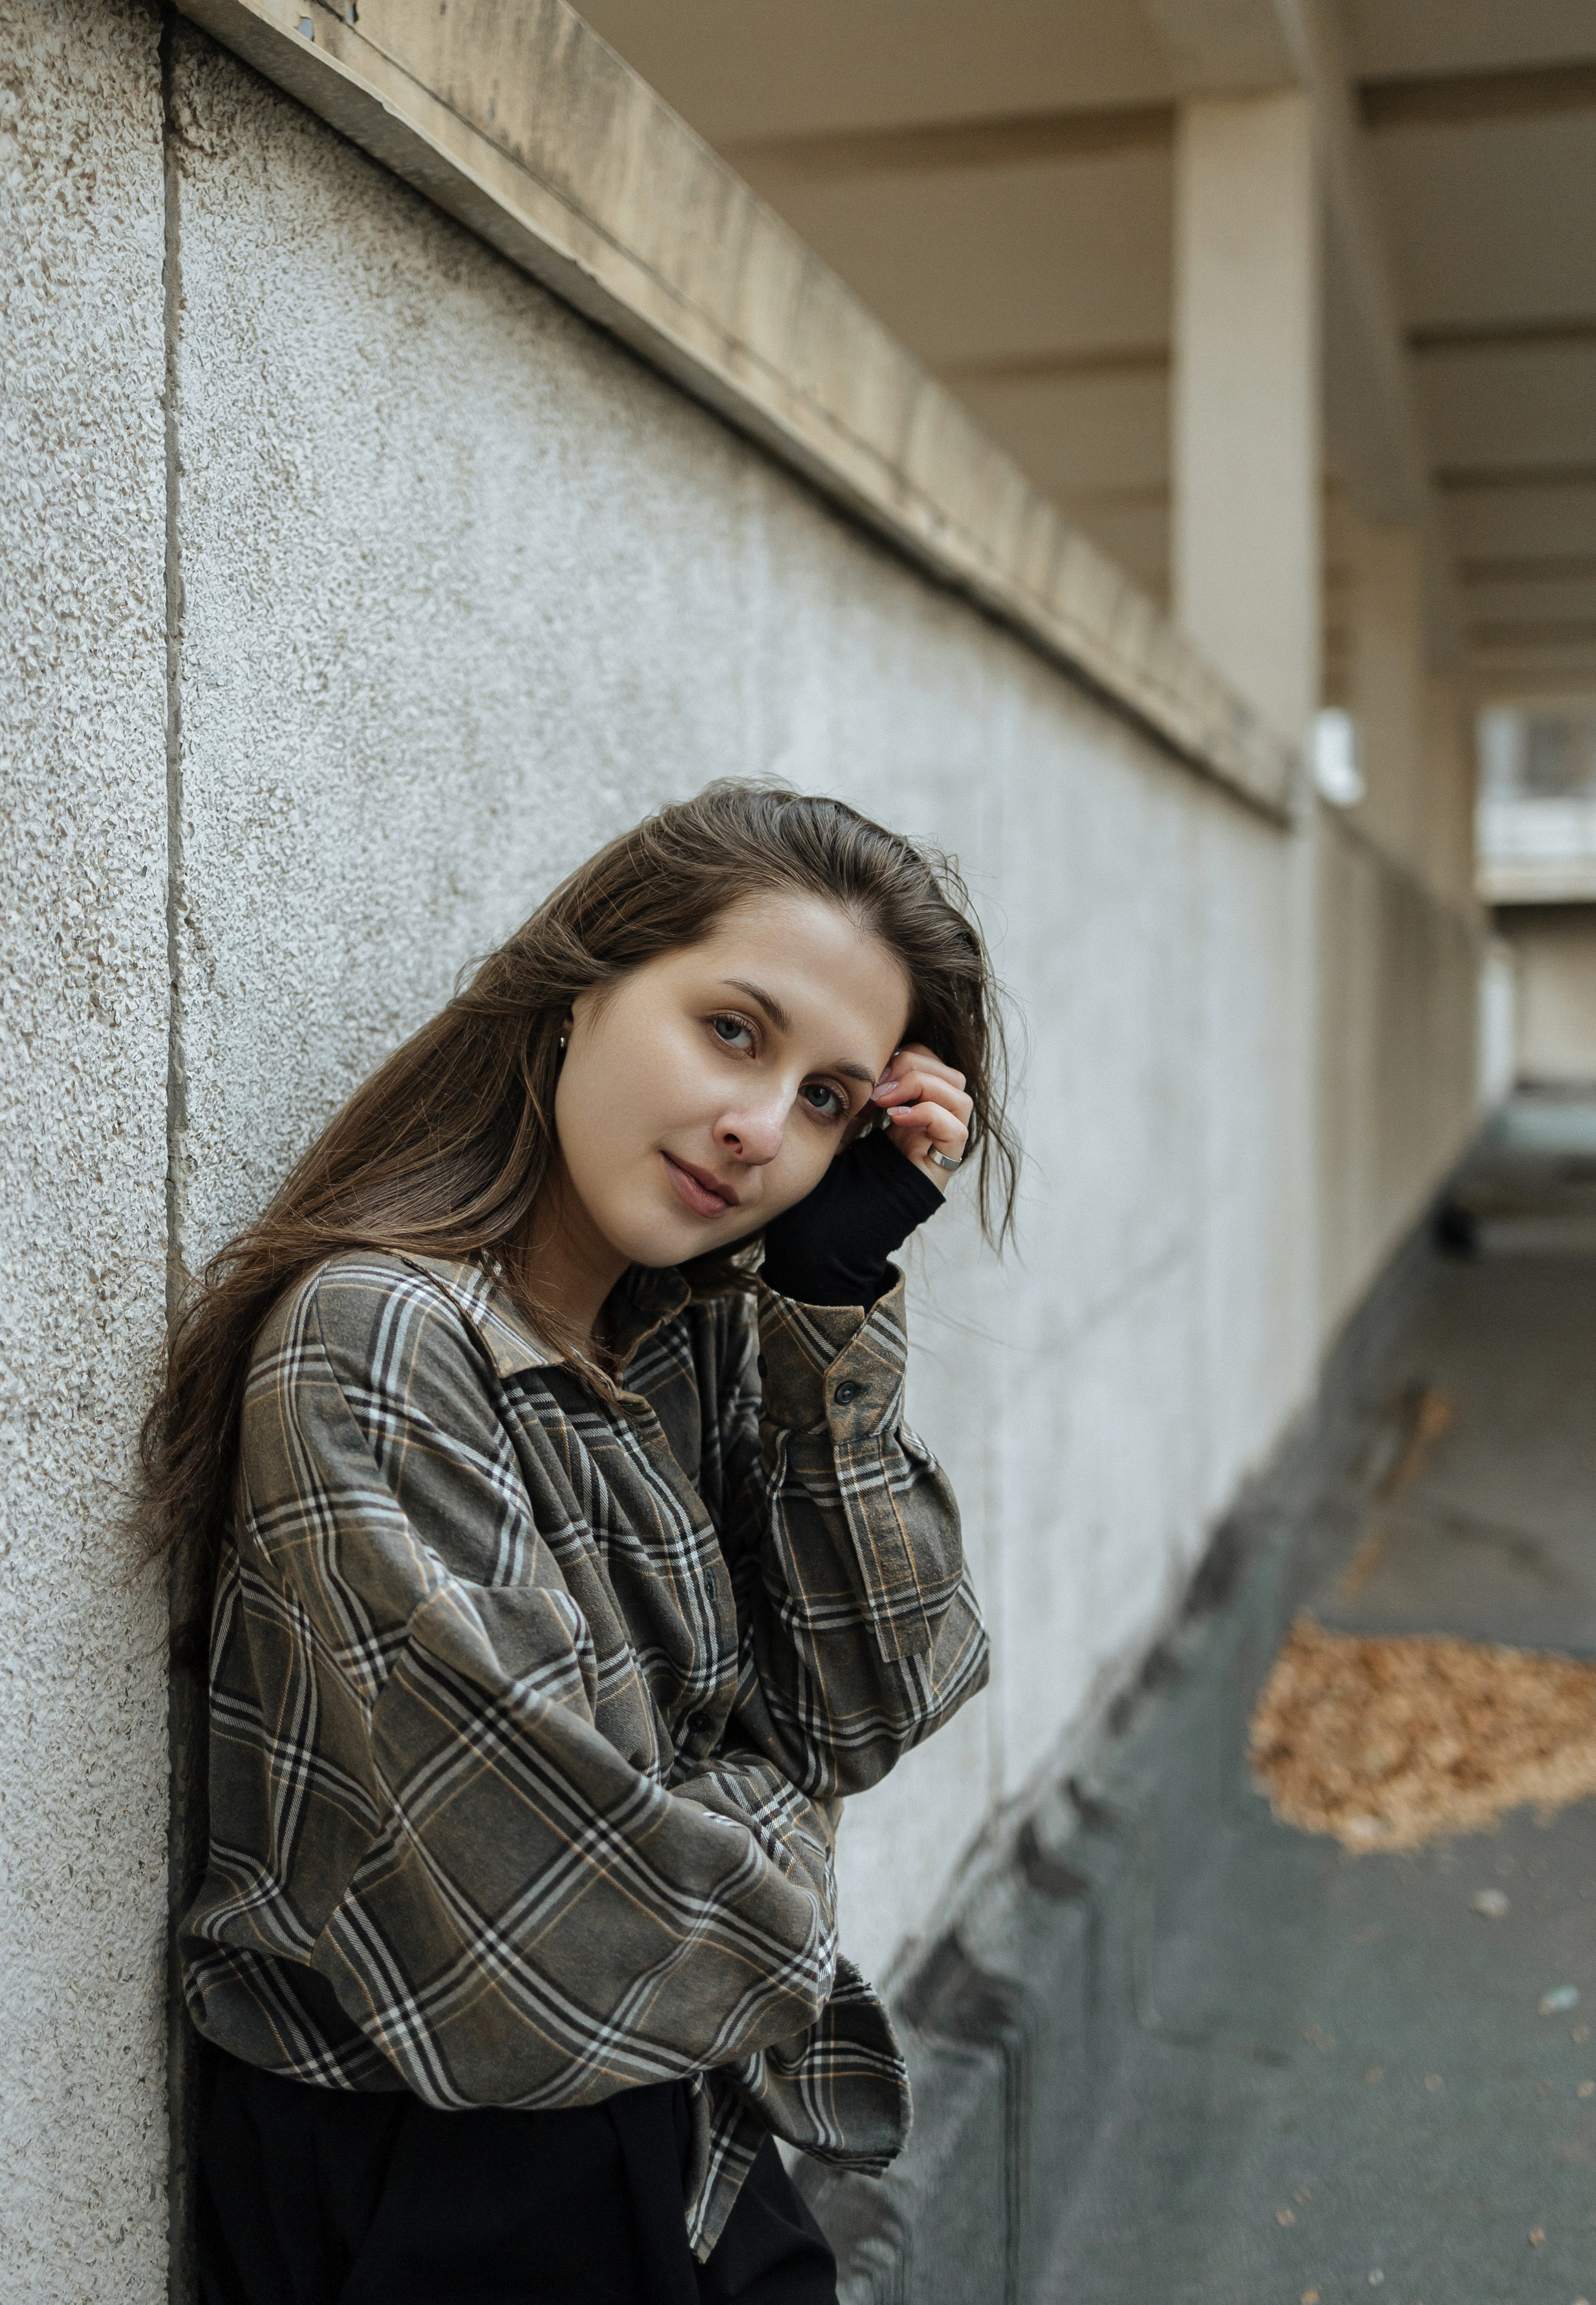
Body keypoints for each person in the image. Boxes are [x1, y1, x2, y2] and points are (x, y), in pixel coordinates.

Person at [137, 779, 1017, 2304]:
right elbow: (568, 1940)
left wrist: (824, 1306)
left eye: (826, 1098)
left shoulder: (694, 1340)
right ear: (578, 990)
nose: (758, 1131)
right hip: (431, 2189)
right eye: (731, 1030)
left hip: (667, 2140)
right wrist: (787, 1824)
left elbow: (868, 1701)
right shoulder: (379, 1345)